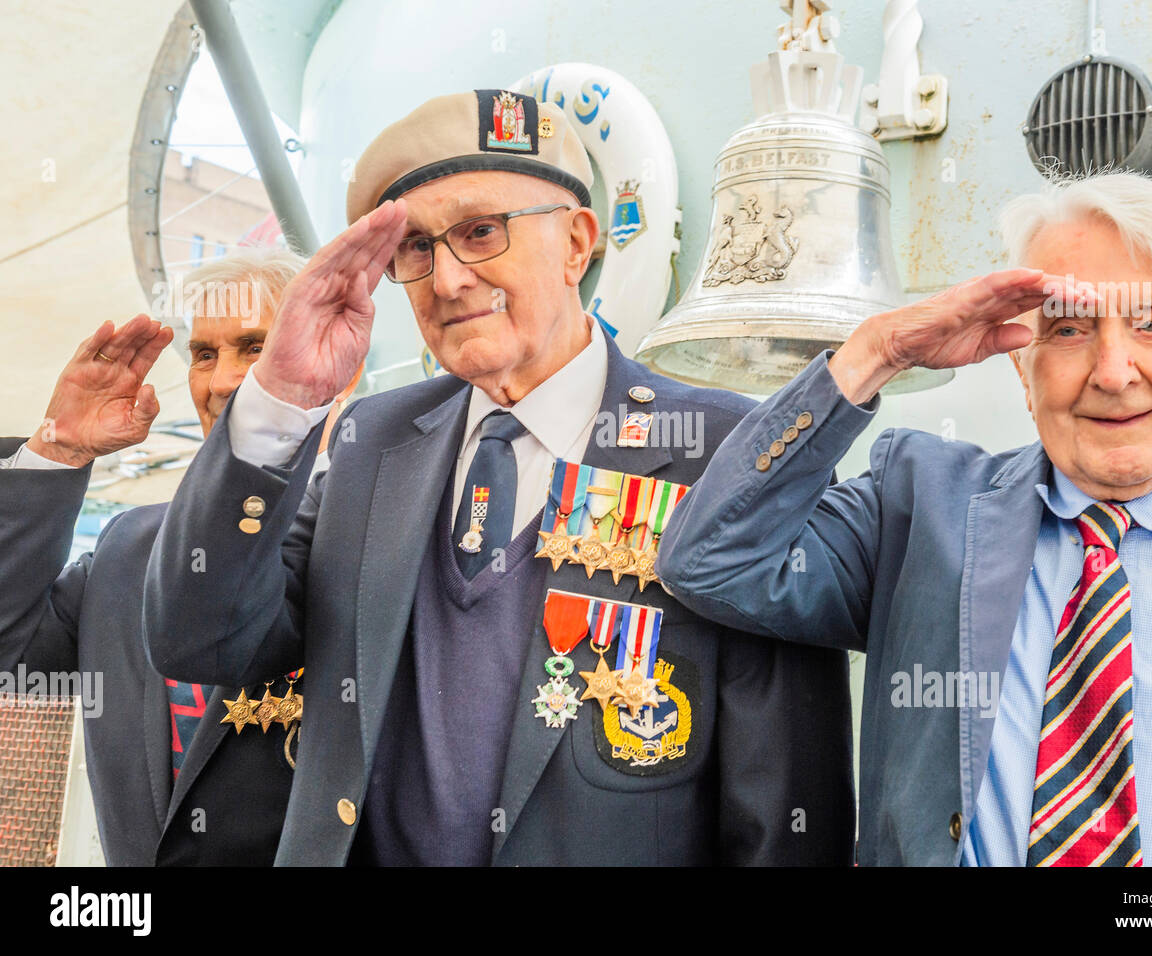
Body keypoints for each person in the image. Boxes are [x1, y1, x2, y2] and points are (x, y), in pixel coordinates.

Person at [142, 89, 854, 866]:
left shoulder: (722, 451)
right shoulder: (369, 441)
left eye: (481, 233)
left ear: (578, 243)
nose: (447, 280)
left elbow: (785, 810)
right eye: (416, 248)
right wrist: (278, 403)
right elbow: (201, 641)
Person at [657, 171, 1152, 867]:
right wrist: (878, 352)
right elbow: (709, 558)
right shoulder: (921, 506)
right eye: (1069, 329)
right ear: (1023, 369)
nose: (1114, 372)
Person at [0, 247, 308, 865]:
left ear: (339, 364)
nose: (223, 381)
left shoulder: (381, 531)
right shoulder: (129, 550)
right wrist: (56, 450)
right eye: (204, 355)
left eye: (255, 347)